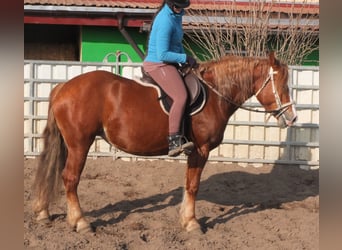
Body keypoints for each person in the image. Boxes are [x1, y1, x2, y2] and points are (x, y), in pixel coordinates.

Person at [143, 0, 197, 157]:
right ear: (171, 5)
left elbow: (177, 43)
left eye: (183, 7)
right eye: (179, 7)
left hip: (170, 62)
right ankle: (174, 140)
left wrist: (185, 59)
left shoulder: (176, 16)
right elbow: (163, 54)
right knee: (180, 96)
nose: (181, 9)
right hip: (158, 64)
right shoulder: (165, 20)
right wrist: (184, 57)